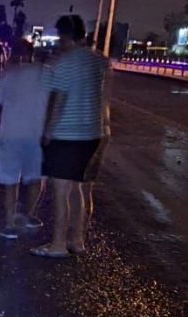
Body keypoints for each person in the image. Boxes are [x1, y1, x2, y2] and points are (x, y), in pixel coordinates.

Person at [33, 15, 109, 258]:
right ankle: (77, 240)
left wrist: (47, 131)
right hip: (93, 134)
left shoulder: (63, 62)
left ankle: (57, 244)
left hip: (67, 134)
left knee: (60, 191)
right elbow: (104, 96)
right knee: (78, 188)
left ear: (64, 35)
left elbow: (57, 99)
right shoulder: (99, 61)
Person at [0, 39, 49, 239]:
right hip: (37, 135)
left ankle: (10, 224)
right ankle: (29, 216)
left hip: (10, 135)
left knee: (10, 179)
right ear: (32, 53)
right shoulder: (45, 72)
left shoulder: (7, 74)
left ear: (13, 53)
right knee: (36, 178)